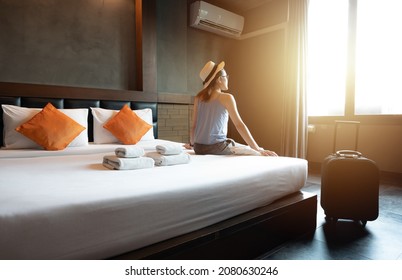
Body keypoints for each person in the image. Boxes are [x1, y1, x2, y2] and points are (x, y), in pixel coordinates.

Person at [184, 61, 278, 157]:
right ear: (219, 79)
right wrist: (257, 148)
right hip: (216, 148)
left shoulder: (198, 98)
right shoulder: (227, 98)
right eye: (226, 77)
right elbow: (239, 125)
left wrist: (192, 144)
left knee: (233, 143)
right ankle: (258, 150)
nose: (227, 79)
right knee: (244, 148)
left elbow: (194, 126)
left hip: (199, 148)